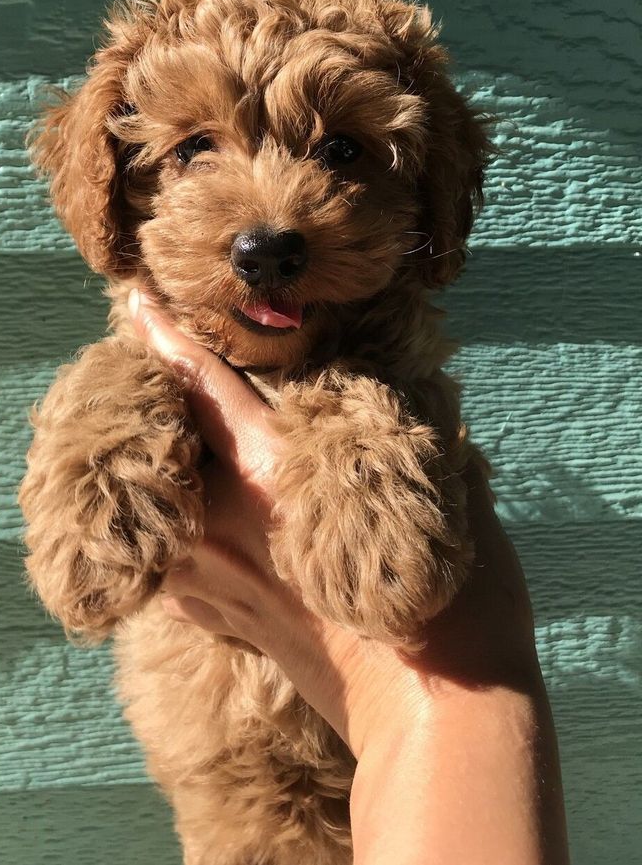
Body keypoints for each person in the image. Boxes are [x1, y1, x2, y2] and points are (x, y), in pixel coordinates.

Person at [128, 288, 571, 865]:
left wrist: (377, 671)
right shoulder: (140, 371)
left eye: (348, 187)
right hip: (245, 811)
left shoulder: (375, 377)